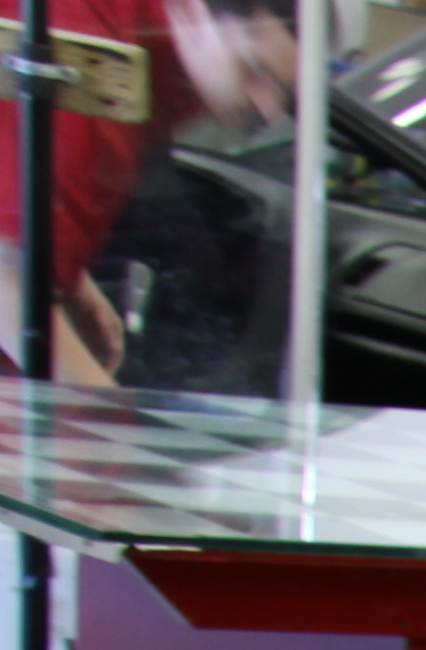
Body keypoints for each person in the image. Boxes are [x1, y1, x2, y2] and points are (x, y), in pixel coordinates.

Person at [0, 0, 313, 381]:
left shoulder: (146, 57)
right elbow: (5, 282)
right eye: (255, 70)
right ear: (193, 14)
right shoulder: (100, 66)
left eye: (282, 91)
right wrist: (98, 409)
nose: (268, 108)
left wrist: (71, 284)